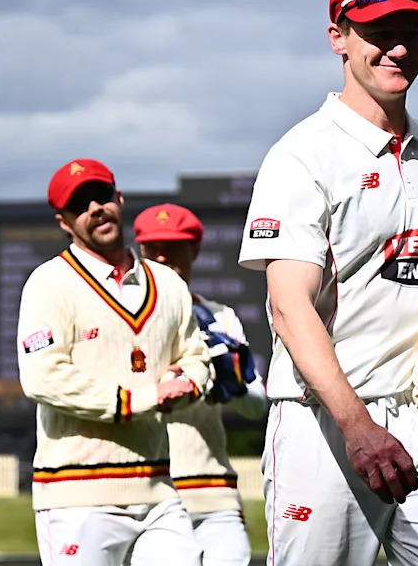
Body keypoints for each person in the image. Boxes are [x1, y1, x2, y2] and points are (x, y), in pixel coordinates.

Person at [239, 0, 418, 565]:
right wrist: (358, 428)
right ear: (339, 37)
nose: (400, 48)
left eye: (412, 31)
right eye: (380, 32)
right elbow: (288, 304)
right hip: (324, 420)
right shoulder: (302, 152)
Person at [17, 159, 211, 566]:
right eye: (80, 205)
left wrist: (190, 385)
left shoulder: (169, 284)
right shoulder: (49, 283)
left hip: (158, 490)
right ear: (64, 222)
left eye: (101, 197)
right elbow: (43, 377)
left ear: (119, 199)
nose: (95, 209)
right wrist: (140, 400)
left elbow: (195, 357)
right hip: (76, 499)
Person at [133, 203, 267, 566]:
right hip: (149, 491)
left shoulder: (220, 317)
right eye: (153, 246)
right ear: (140, 250)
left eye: (174, 245)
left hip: (214, 491)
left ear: (194, 249)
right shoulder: (125, 319)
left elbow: (257, 406)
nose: (163, 255)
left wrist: (227, 377)